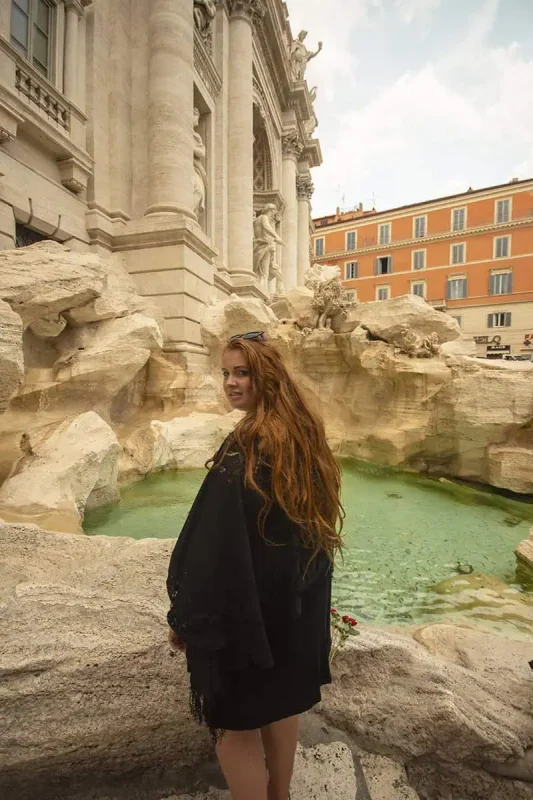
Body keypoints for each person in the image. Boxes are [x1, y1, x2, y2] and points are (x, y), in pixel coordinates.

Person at [166, 331, 344, 800]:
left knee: (233, 726)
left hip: (249, 617)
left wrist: (188, 618)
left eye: (242, 372)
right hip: (292, 612)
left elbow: (214, 544)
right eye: (226, 372)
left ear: (267, 376)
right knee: (280, 705)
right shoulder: (302, 437)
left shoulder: (247, 447)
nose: (230, 382)